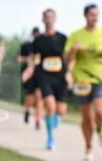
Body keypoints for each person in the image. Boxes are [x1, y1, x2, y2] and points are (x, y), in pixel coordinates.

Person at [65, 4, 102, 161]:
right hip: (81, 78)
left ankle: (101, 129)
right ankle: (88, 146)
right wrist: (74, 50)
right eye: (91, 15)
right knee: (86, 116)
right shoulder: (75, 35)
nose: (94, 17)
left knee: (101, 112)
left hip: (101, 77)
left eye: (97, 14)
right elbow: (67, 59)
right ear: (85, 16)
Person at [24, 9, 70, 150]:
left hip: (60, 76)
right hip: (45, 76)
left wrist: (69, 72)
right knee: (50, 106)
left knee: (60, 110)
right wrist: (29, 69)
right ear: (43, 20)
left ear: (55, 19)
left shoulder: (63, 38)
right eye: (46, 18)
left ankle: (54, 118)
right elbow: (33, 58)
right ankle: (50, 139)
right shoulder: (38, 40)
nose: (49, 20)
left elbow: (68, 57)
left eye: (51, 17)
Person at [18, 27, 43, 127]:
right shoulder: (27, 46)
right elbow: (18, 59)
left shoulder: (43, 46)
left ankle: (38, 119)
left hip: (41, 74)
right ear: (32, 35)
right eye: (35, 34)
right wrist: (27, 58)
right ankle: (27, 110)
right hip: (30, 74)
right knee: (30, 96)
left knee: (39, 96)